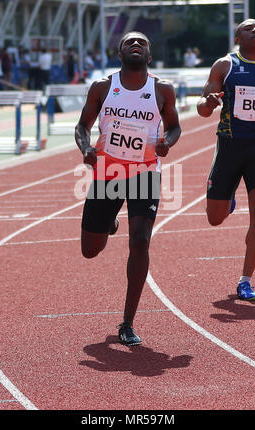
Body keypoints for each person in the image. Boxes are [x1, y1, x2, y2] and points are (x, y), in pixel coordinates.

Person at [75, 31, 181, 345]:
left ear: (149, 55)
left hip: (145, 173)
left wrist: (166, 143)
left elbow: (174, 126)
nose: (136, 44)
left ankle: (128, 322)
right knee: (90, 250)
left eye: (142, 43)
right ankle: (110, 222)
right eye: (129, 42)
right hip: (108, 172)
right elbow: (83, 126)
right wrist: (86, 149)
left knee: (140, 241)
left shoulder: (162, 89)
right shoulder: (103, 87)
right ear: (119, 54)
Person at [197, 18, 255, 301]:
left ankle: (246, 280)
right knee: (214, 218)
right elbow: (202, 108)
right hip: (230, 147)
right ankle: (226, 199)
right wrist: (209, 103)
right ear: (238, 37)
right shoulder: (225, 65)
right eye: (249, 28)